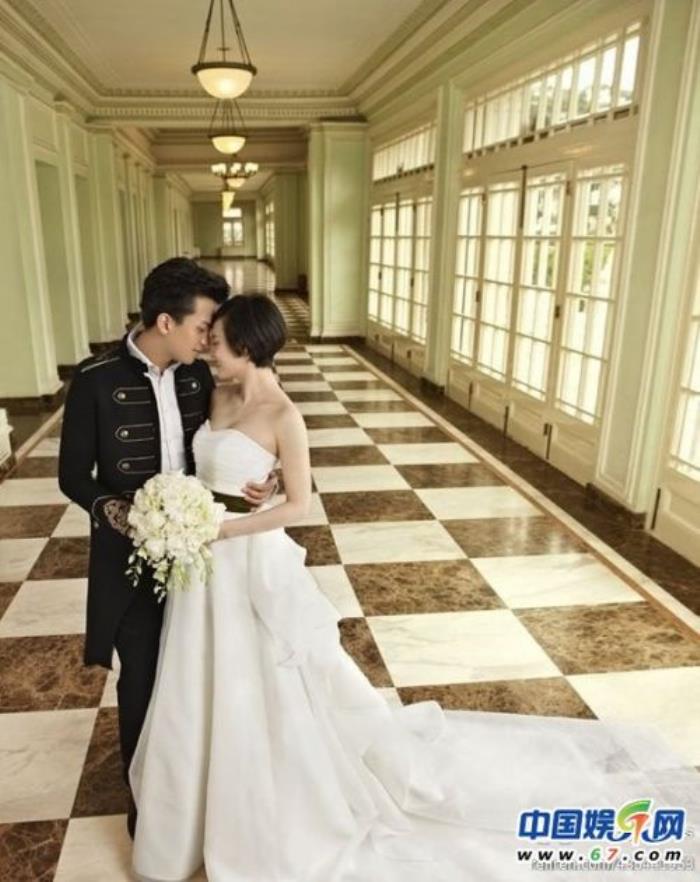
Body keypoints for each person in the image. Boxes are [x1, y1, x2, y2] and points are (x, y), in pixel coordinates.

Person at [130, 294, 700, 882]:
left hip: (247, 557)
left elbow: (300, 506)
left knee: (260, 679)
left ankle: (263, 808)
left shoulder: (284, 416)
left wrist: (227, 527)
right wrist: (199, 511)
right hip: (203, 566)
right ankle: (193, 806)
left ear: (248, 347)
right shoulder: (215, 394)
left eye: (218, 343)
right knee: (203, 675)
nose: (208, 351)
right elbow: (214, 468)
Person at [57, 259, 277, 840]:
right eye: (204, 326)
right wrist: (123, 516)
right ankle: (148, 803)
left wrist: (268, 475)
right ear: (165, 322)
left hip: (207, 555)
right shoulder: (95, 379)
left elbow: (256, 427)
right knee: (142, 675)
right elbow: (73, 476)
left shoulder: (203, 374)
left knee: (202, 671)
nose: (211, 339)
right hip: (132, 556)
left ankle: (208, 794)